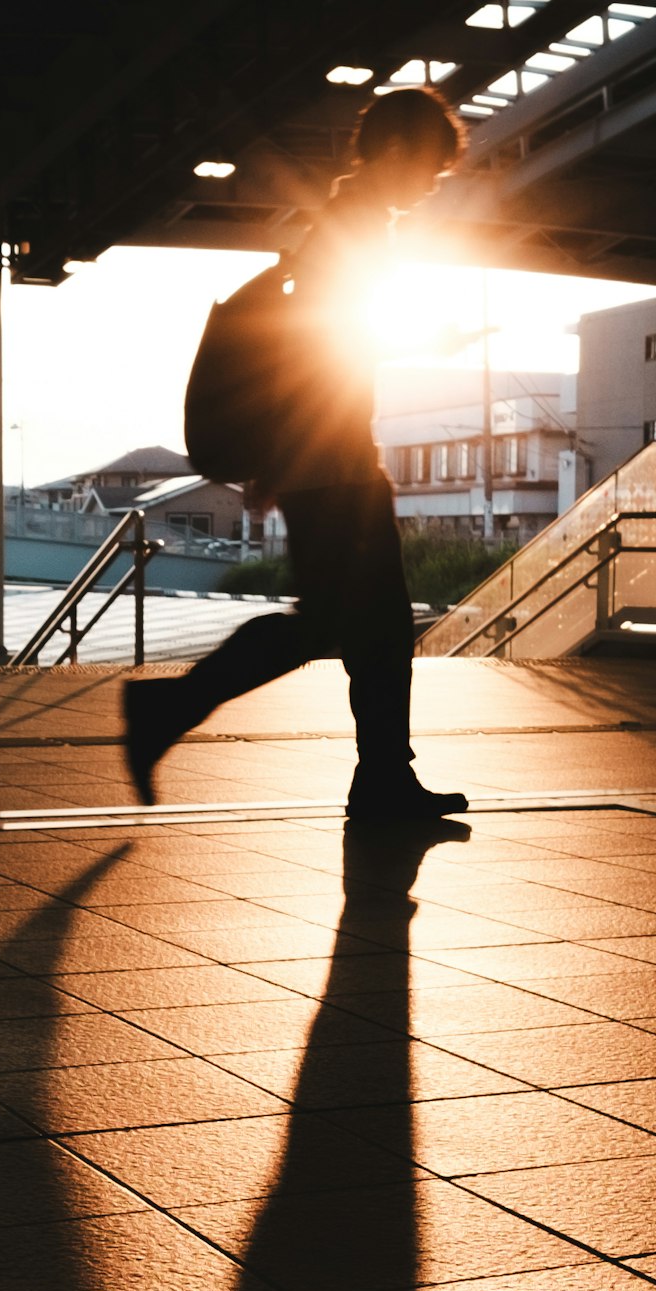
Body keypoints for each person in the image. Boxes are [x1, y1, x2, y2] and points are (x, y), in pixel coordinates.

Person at [124, 87, 467, 826]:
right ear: (401, 152)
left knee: (372, 628)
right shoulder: (352, 229)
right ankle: (168, 708)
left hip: (335, 458)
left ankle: (383, 779)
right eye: (432, 168)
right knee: (337, 625)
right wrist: (293, 461)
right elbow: (320, 351)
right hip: (333, 462)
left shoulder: (348, 224)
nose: (432, 185)